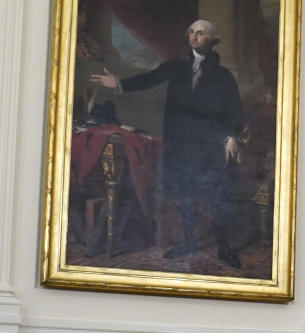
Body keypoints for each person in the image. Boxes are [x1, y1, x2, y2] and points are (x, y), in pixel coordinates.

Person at [90, 19, 245, 269]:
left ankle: (224, 247)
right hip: (181, 143)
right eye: (192, 33)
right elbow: (149, 79)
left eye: (201, 34)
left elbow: (235, 109)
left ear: (212, 41)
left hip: (210, 145)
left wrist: (232, 137)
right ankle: (189, 241)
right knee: (184, 193)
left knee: (217, 197)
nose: (194, 37)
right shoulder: (176, 66)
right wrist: (118, 83)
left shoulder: (223, 75)